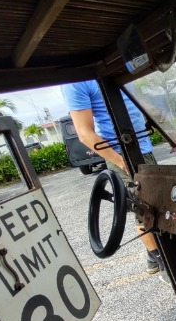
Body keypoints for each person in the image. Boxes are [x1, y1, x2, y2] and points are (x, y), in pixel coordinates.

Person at [61, 80, 168, 282]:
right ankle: (162, 261)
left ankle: (152, 258)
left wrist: (168, 134)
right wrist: (121, 161)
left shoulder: (116, 69)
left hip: (144, 150)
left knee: (161, 203)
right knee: (145, 213)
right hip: (122, 154)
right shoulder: (76, 82)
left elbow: (137, 107)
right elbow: (85, 133)